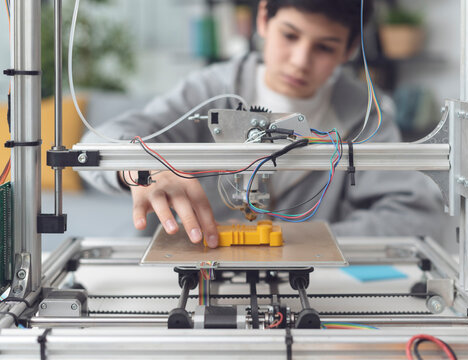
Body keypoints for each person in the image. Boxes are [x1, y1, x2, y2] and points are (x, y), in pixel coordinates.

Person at [80, 0, 446, 249]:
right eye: (290, 36)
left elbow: (416, 216)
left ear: (349, 51)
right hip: (194, 268)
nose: (300, 61)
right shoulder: (209, 90)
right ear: (262, 21)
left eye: (324, 47)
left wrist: (299, 241)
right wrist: (142, 169)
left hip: (305, 280)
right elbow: (94, 146)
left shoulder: (368, 114)